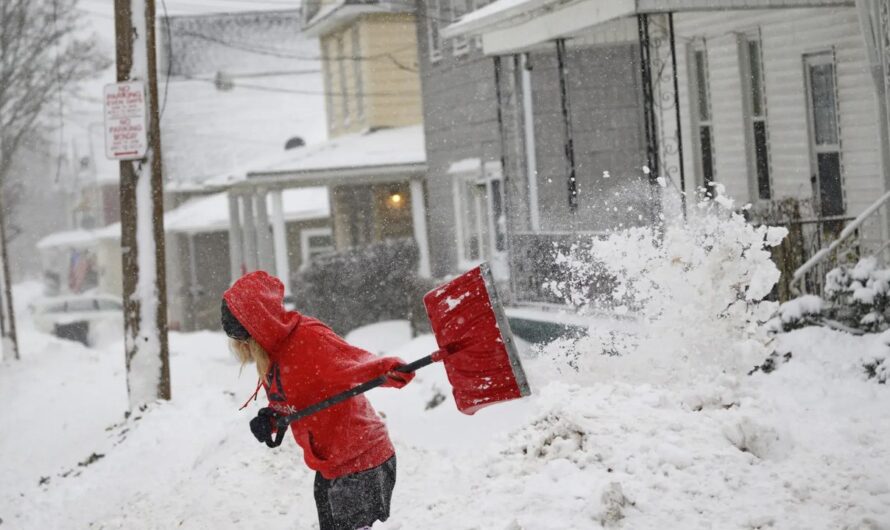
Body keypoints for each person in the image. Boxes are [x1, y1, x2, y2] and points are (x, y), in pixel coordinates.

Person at [221, 271, 415, 530]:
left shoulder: (309, 338)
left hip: (361, 461)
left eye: (242, 340)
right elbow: (295, 397)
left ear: (256, 328)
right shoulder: (272, 354)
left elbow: (356, 362)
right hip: (330, 466)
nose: (239, 348)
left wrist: (391, 369)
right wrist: (273, 418)